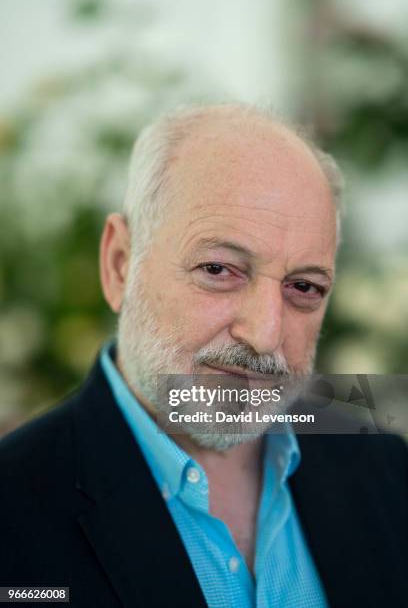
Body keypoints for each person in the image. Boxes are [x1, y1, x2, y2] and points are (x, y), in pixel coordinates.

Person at [0, 104, 407, 608]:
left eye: (303, 286)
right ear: (119, 265)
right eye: (218, 269)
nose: (264, 334)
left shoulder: (391, 475)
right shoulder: (11, 513)